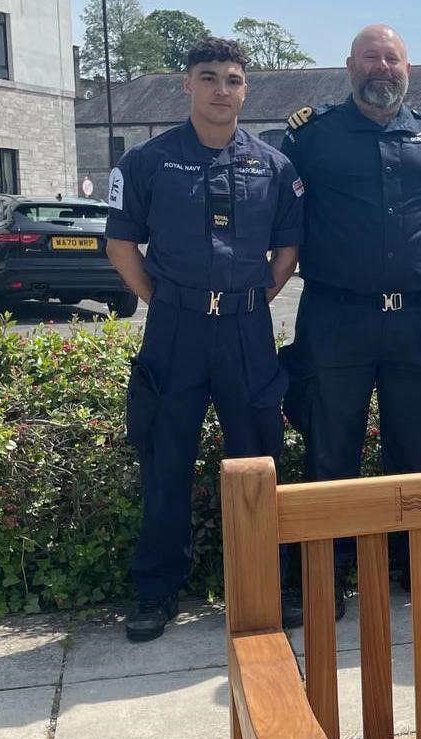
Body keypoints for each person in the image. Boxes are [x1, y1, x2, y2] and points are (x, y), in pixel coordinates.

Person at [105, 37, 305, 642]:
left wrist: (249, 303)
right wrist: (166, 302)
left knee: (258, 462)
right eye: (210, 77)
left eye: (234, 80)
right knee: (165, 459)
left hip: (246, 330)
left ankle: (264, 582)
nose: (223, 89)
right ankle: (156, 591)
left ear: (246, 90)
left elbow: (287, 251)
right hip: (176, 331)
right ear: (186, 85)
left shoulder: (274, 165)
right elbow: (121, 245)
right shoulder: (147, 161)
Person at [280, 23, 421, 608]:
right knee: (329, 450)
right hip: (337, 319)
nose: (381, 67)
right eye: (371, 57)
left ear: (407, 70)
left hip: (418, 320)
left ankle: (419, 566)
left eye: (392, 58)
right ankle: (326, 576)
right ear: (349, 65)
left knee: (418, 450)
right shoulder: (311, 139)